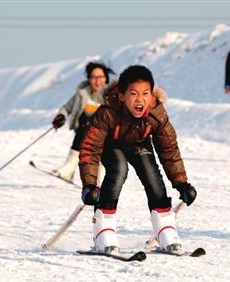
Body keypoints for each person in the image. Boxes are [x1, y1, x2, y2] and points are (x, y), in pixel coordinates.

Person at [78, 65, 197, 255]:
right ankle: (103, 229)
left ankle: (165, 227)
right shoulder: (107, 111)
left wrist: (182, 183)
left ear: (152, 94)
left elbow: (169, 149)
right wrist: (89, 185)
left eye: (145, 93)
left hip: (138, 143)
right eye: (133, 94)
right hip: (112, 145)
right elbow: (90, 148)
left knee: (152, 176)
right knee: (118, 169)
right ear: (122, 95)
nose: (140, 99)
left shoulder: (156, 113)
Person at [52, 61, 114, 181]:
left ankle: (96, 178)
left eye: (100, 77)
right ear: (89, 79)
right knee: (85, 125)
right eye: (93, 77)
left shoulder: (111, 96)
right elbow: (67, 107)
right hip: (84, 131)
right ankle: (69, 168)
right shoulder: (82, 94)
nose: (97, 81)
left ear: (106, 78)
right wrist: (61, 116)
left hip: (104, 135)